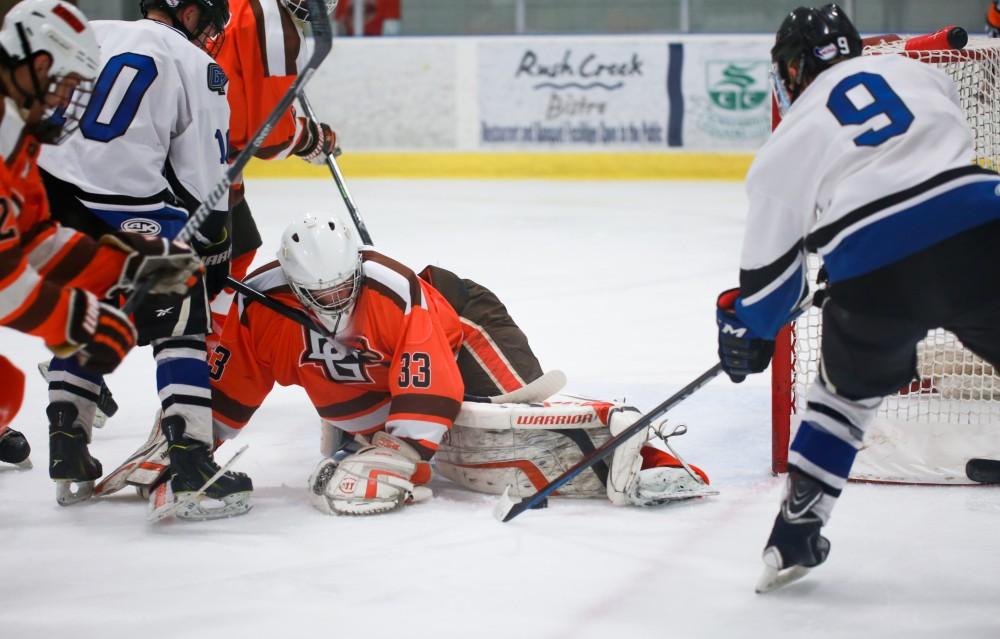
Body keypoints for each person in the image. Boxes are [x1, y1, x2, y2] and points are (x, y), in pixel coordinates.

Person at [715, 3, 1000, 592]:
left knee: (843, 398)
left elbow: (769, 295)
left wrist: (744, 327)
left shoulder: (783, 146)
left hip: (875, 271)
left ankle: (793, 536)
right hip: (980, 227)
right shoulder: (918, 73)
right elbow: (929, 164)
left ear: (790, 71)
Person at [36, 0, 253, 519]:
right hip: (131, 206)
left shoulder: (90, 31)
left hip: (49, 199)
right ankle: (192, 462)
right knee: (181, 323)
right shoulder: (199, 64)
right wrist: (214, 243)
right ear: (194, 13)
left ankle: (66, 445)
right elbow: (204, 167)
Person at [0, 0, 202, 473]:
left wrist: (125, 263)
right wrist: (81, 322)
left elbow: (36, 241)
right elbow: (5, 281)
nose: (68, 100)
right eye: (68, 85)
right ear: (40, 66)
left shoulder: (18, 136)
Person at [210, 0, 339, 336]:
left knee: (237, 250)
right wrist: (311, 138)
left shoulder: (241, 6)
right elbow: (270, 137)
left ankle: (205, 341)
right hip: (203, 164)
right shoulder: (271, 21)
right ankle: (202, 345)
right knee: (209, 268)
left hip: (200, 153)